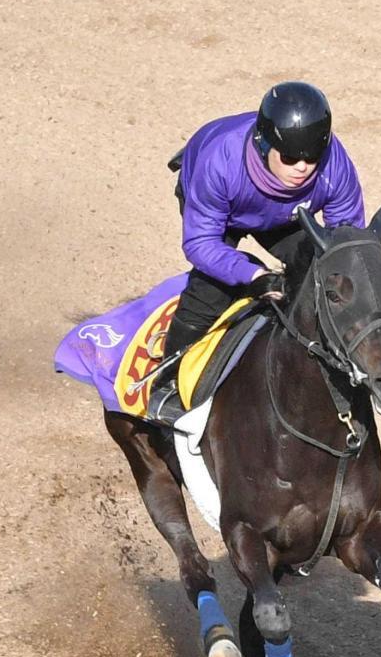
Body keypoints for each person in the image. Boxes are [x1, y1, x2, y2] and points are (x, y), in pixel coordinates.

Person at [148, 81, 366, 422]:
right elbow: (201, 243)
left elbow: (345, 242)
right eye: (290, 157)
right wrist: (253, 275)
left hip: (286, 214)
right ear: (263, 145)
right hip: (223, 208)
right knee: (211, 290)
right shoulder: (219, 162)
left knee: (320, 275)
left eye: (311, 157)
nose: (302, 167)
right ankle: (167, 383)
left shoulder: (334, 164)